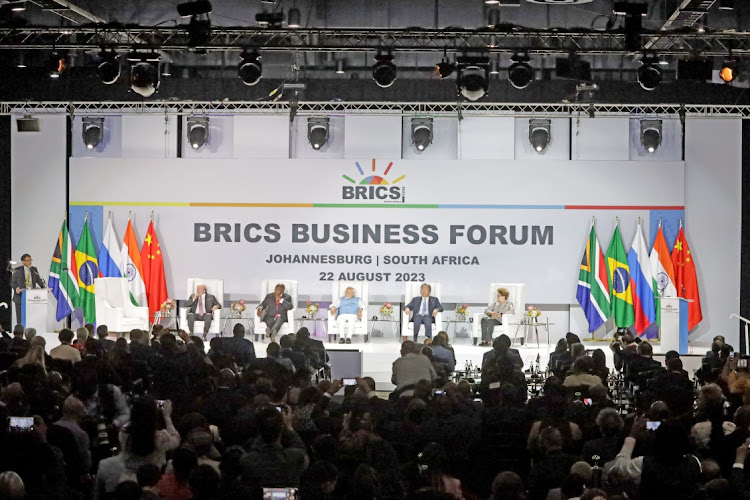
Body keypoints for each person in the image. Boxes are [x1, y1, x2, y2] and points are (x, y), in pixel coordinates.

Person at [10, 253, 45, 325]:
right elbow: (12, 282)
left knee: (32, 317)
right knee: (20, 318)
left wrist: (44, 288)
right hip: (20, 297)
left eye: (30, 260)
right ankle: (20, 332)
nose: (30, 262)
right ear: (23, 261)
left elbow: (38, 280)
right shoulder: (17, 270)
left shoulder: (34, 269)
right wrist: (17, 288)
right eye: (28, 260)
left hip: (32, 297)